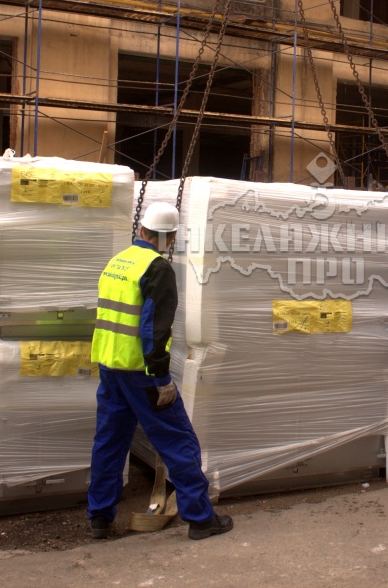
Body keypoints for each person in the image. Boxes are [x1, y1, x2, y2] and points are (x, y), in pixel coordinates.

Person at [87, 201, 233, 540]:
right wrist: (162, 379)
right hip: (142, 373)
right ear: (170, 238)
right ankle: (200, 519)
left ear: (141, 230)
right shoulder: (157, 269)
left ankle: (99, 517)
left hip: (110, 367)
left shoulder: (117, 262)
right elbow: (154, 330)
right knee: (178, 441)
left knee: (109, 442)